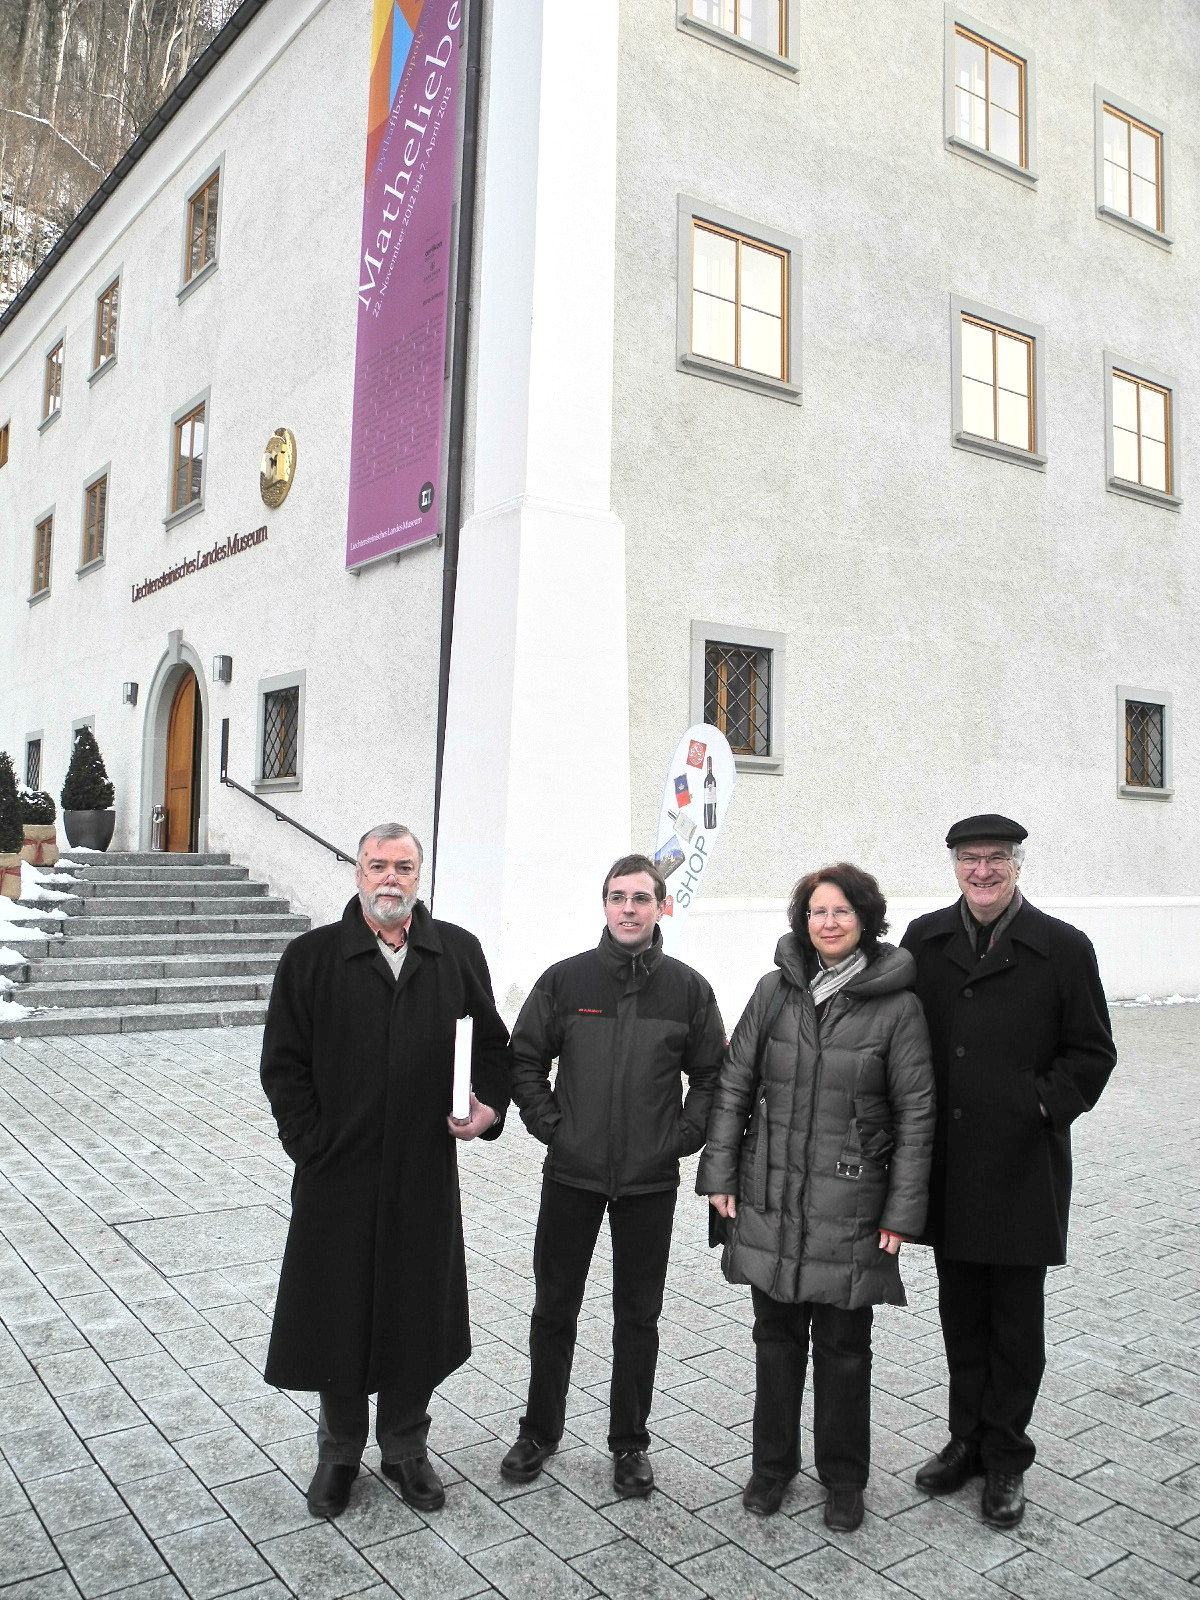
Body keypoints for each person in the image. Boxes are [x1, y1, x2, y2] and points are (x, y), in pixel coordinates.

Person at [260, 823, 511, 1520]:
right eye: (378, 866)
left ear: (418, 876)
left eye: (403, 866)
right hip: (337, 1176)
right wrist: (312, 1144)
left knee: (415, 1312)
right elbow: (283, 1064)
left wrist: (487, 1108)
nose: (390, 878)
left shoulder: (455, 952)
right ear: (358, 873)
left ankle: (405, 1448)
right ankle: (339, 1454)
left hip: (422, 1173)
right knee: (337, 1312)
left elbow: (493, 1047)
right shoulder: (312, 958)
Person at [698, 864, 934, 1530]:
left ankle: (844, 1479)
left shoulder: (898, 1006)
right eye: (816, 912)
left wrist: (902, 1213)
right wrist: (720, 1177)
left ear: (866, 919)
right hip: (771, 1196)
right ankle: (771, 1468)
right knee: (774, 1341)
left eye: (841, 911)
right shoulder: (774, 992)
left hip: (851, 1206)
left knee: (844, 1349)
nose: (827, 923)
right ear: (803, 921)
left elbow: (917, 1113)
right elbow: (734, 1085)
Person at [901, 814, 1116, 1529]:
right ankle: (965, 1440)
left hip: (1023, 1165)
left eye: (996, 858)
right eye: (970, 858)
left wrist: (1037, 1105)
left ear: (1018, 864)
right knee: (961, 1315)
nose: (983, 871)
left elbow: (1092, 1054)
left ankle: (1006, 1457)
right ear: (955, 866)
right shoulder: (926, 940)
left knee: (1016, 1325)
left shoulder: (1062, 948)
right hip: (951, 1165)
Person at [501, 853, 725, 1498]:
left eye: (641, 898)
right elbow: (525, 1060)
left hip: (648, 1183)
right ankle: (539, 1431)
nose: (629, 909)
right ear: (604, 905)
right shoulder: (565, 980)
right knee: (554, 1308)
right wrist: (554, 1127)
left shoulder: (688, 989)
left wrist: (681, 1137)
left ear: (661, 907)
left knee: (639, 1314)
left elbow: (712, 1074)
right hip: (571, 1175)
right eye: (618, 897)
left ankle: (629, 1442)